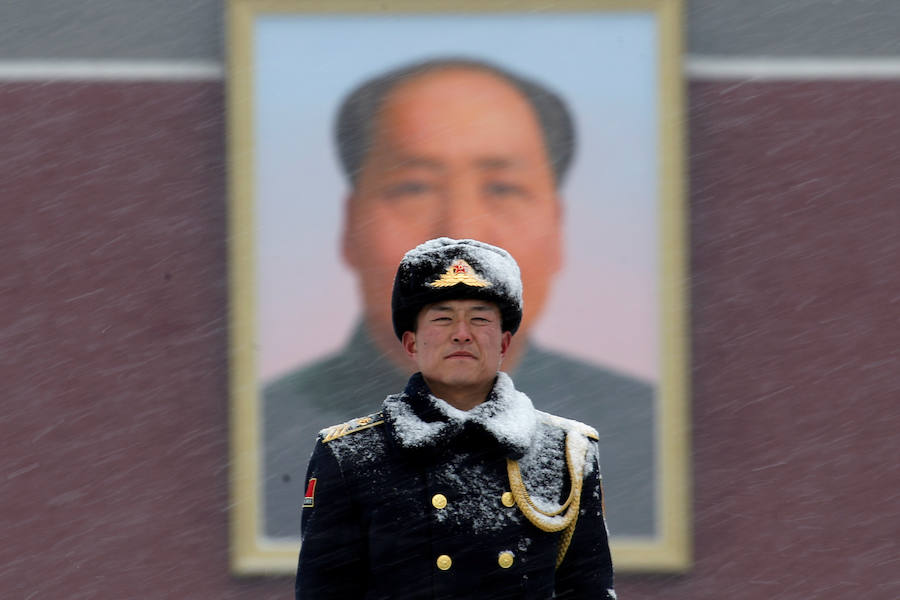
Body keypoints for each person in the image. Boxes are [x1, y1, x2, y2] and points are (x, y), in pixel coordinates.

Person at [265, 57, 654, 539]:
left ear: (557, 228)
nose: (461, 231)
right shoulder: (265, 439)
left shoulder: (643, 434)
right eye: (413, 187)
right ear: (350, 227)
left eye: (503, 188)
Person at [295, 238, 615, 600]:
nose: (462, 333)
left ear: (504, 343)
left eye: (479, 318)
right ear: (411, 342)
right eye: (443, 318)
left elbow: (589, 590)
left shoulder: (565, 451)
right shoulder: (350, 456)